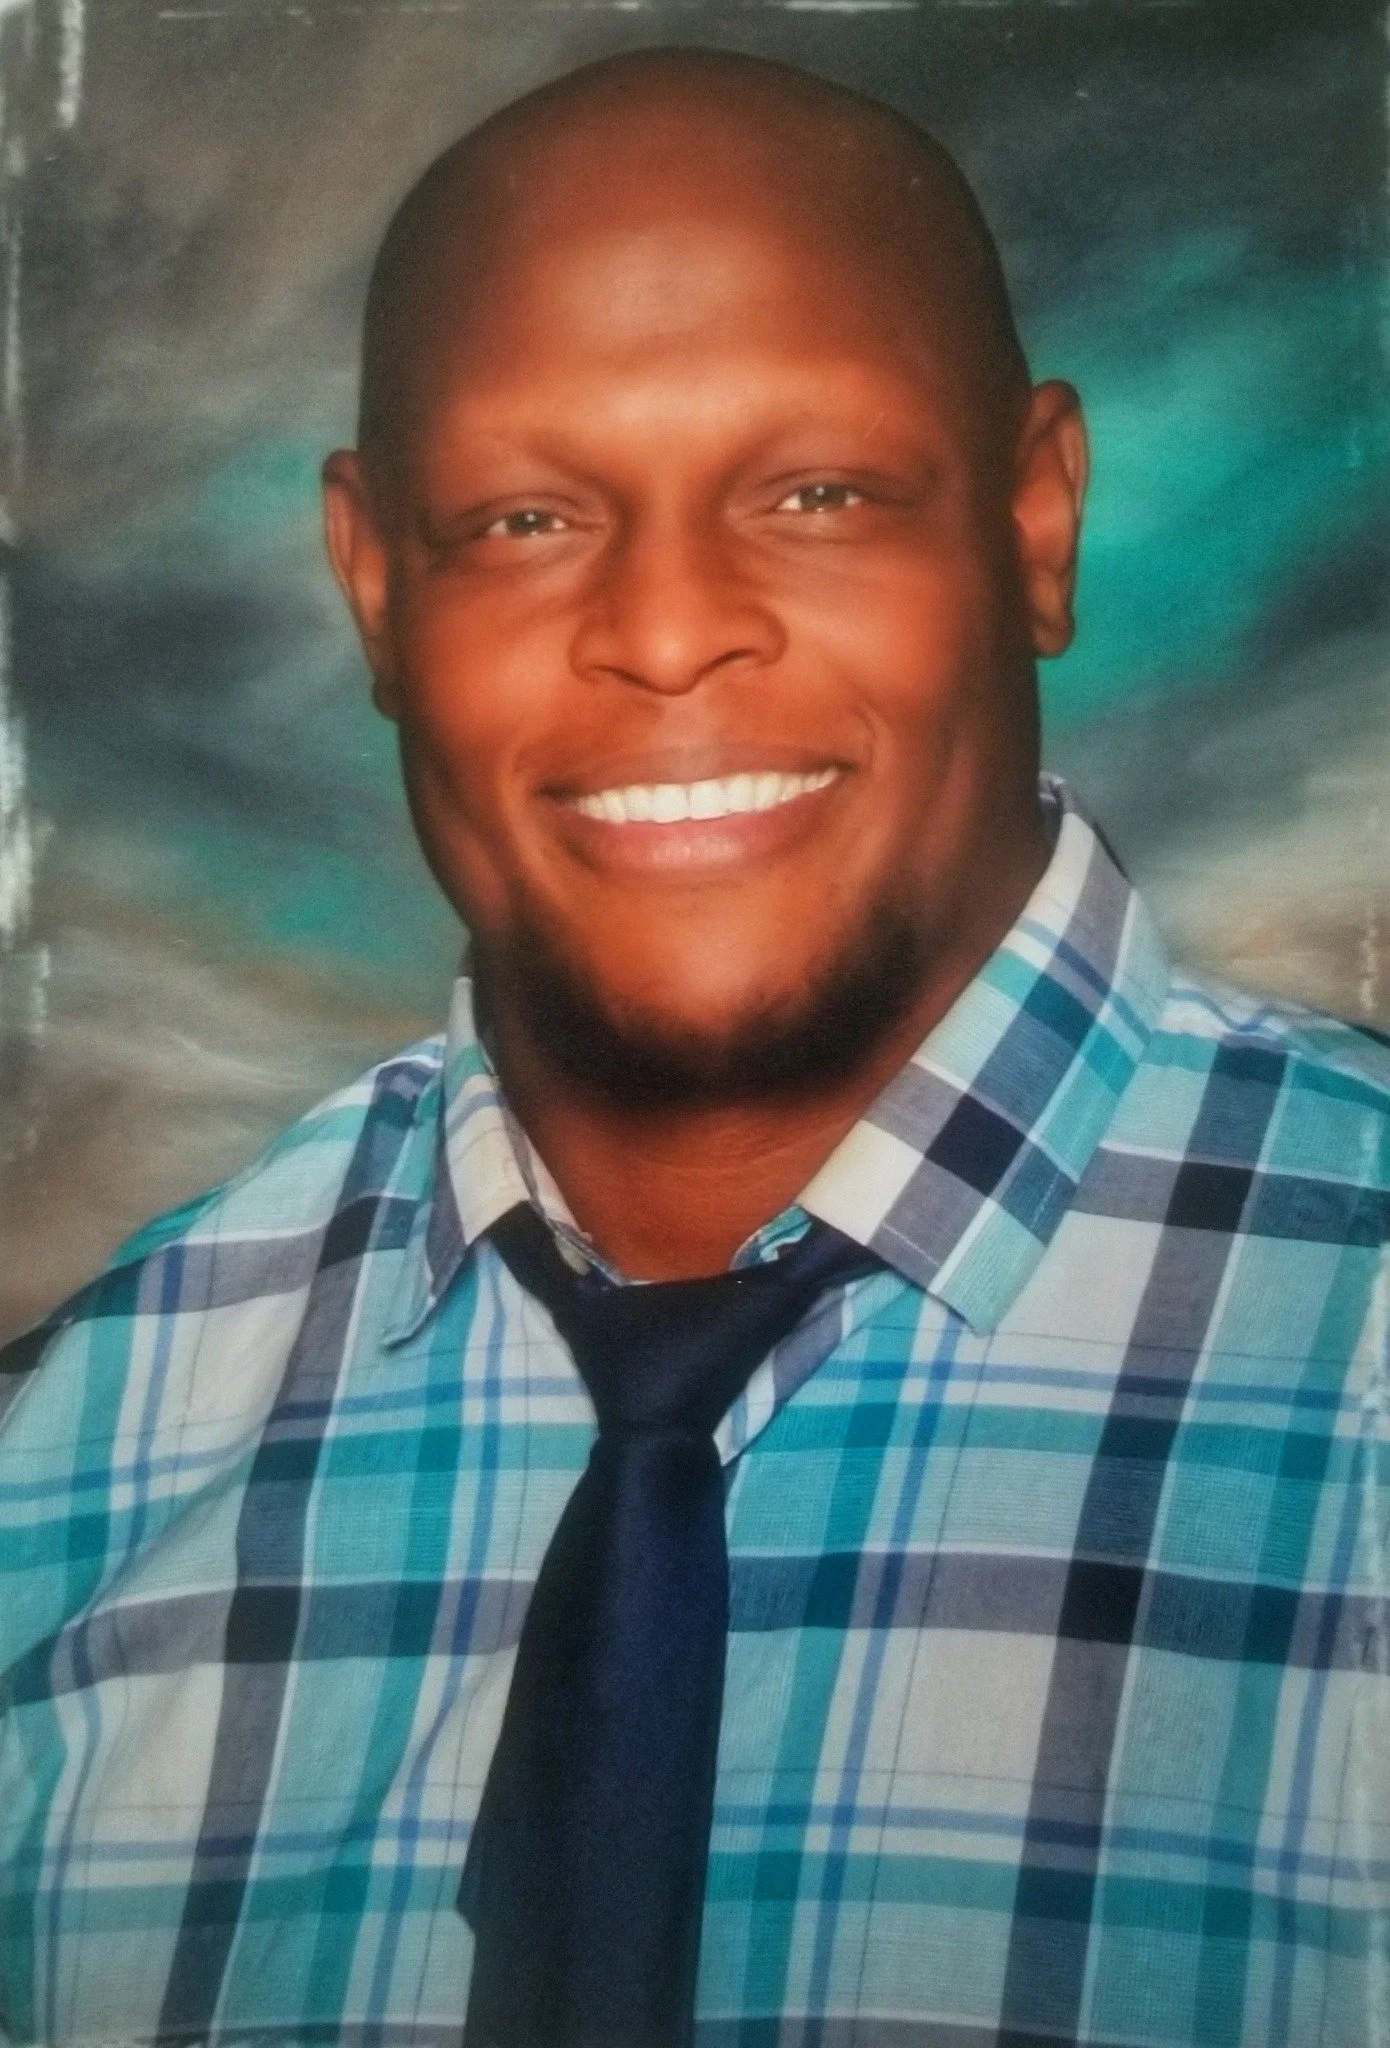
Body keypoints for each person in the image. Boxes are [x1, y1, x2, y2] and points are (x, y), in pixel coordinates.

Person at [1, 44, 1386, 2048]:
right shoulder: (64, 1479)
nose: (663, 628)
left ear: (1033, 522)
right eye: (524, 515)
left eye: (814, 492)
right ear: (374, 585)